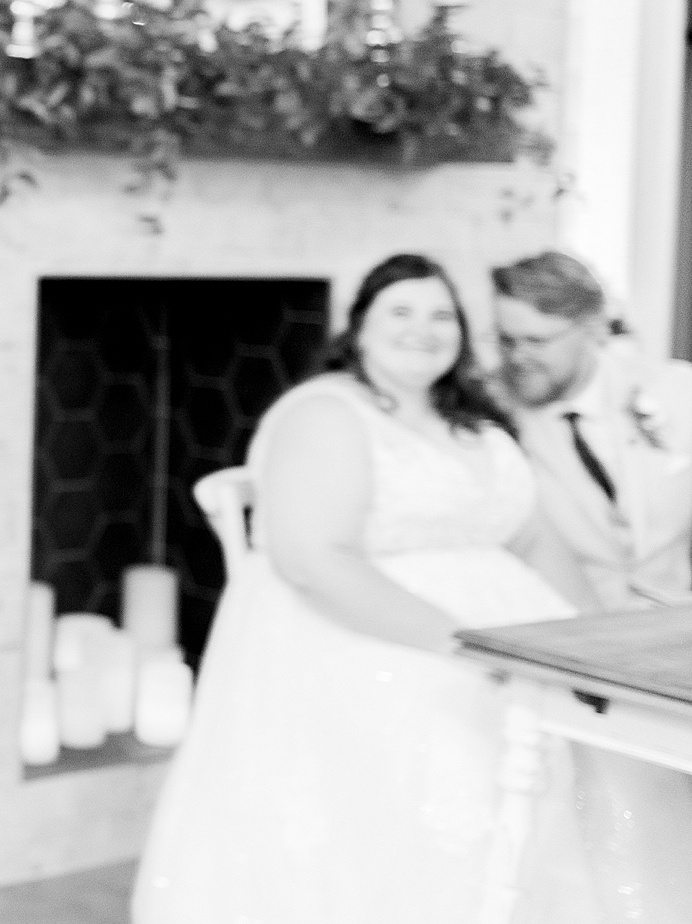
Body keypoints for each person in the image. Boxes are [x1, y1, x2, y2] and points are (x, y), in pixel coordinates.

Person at [132, 253, 598, 924]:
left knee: (594, 729)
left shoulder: (473, 421)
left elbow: (533, 538)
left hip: (508, 641)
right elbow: (311, 558)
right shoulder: (324, 414)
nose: (424, 328)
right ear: (358, 327)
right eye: (400, 311)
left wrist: (592, 636)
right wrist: (466, 645)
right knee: (462, 721)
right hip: (372, 637)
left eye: (442, 313)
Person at [492, 251, 692, 610]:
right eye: (507, 340)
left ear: (593, 328)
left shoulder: (677, 391)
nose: (517, 358)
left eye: (536, 341)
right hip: (558, 620)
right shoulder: (492, 414)